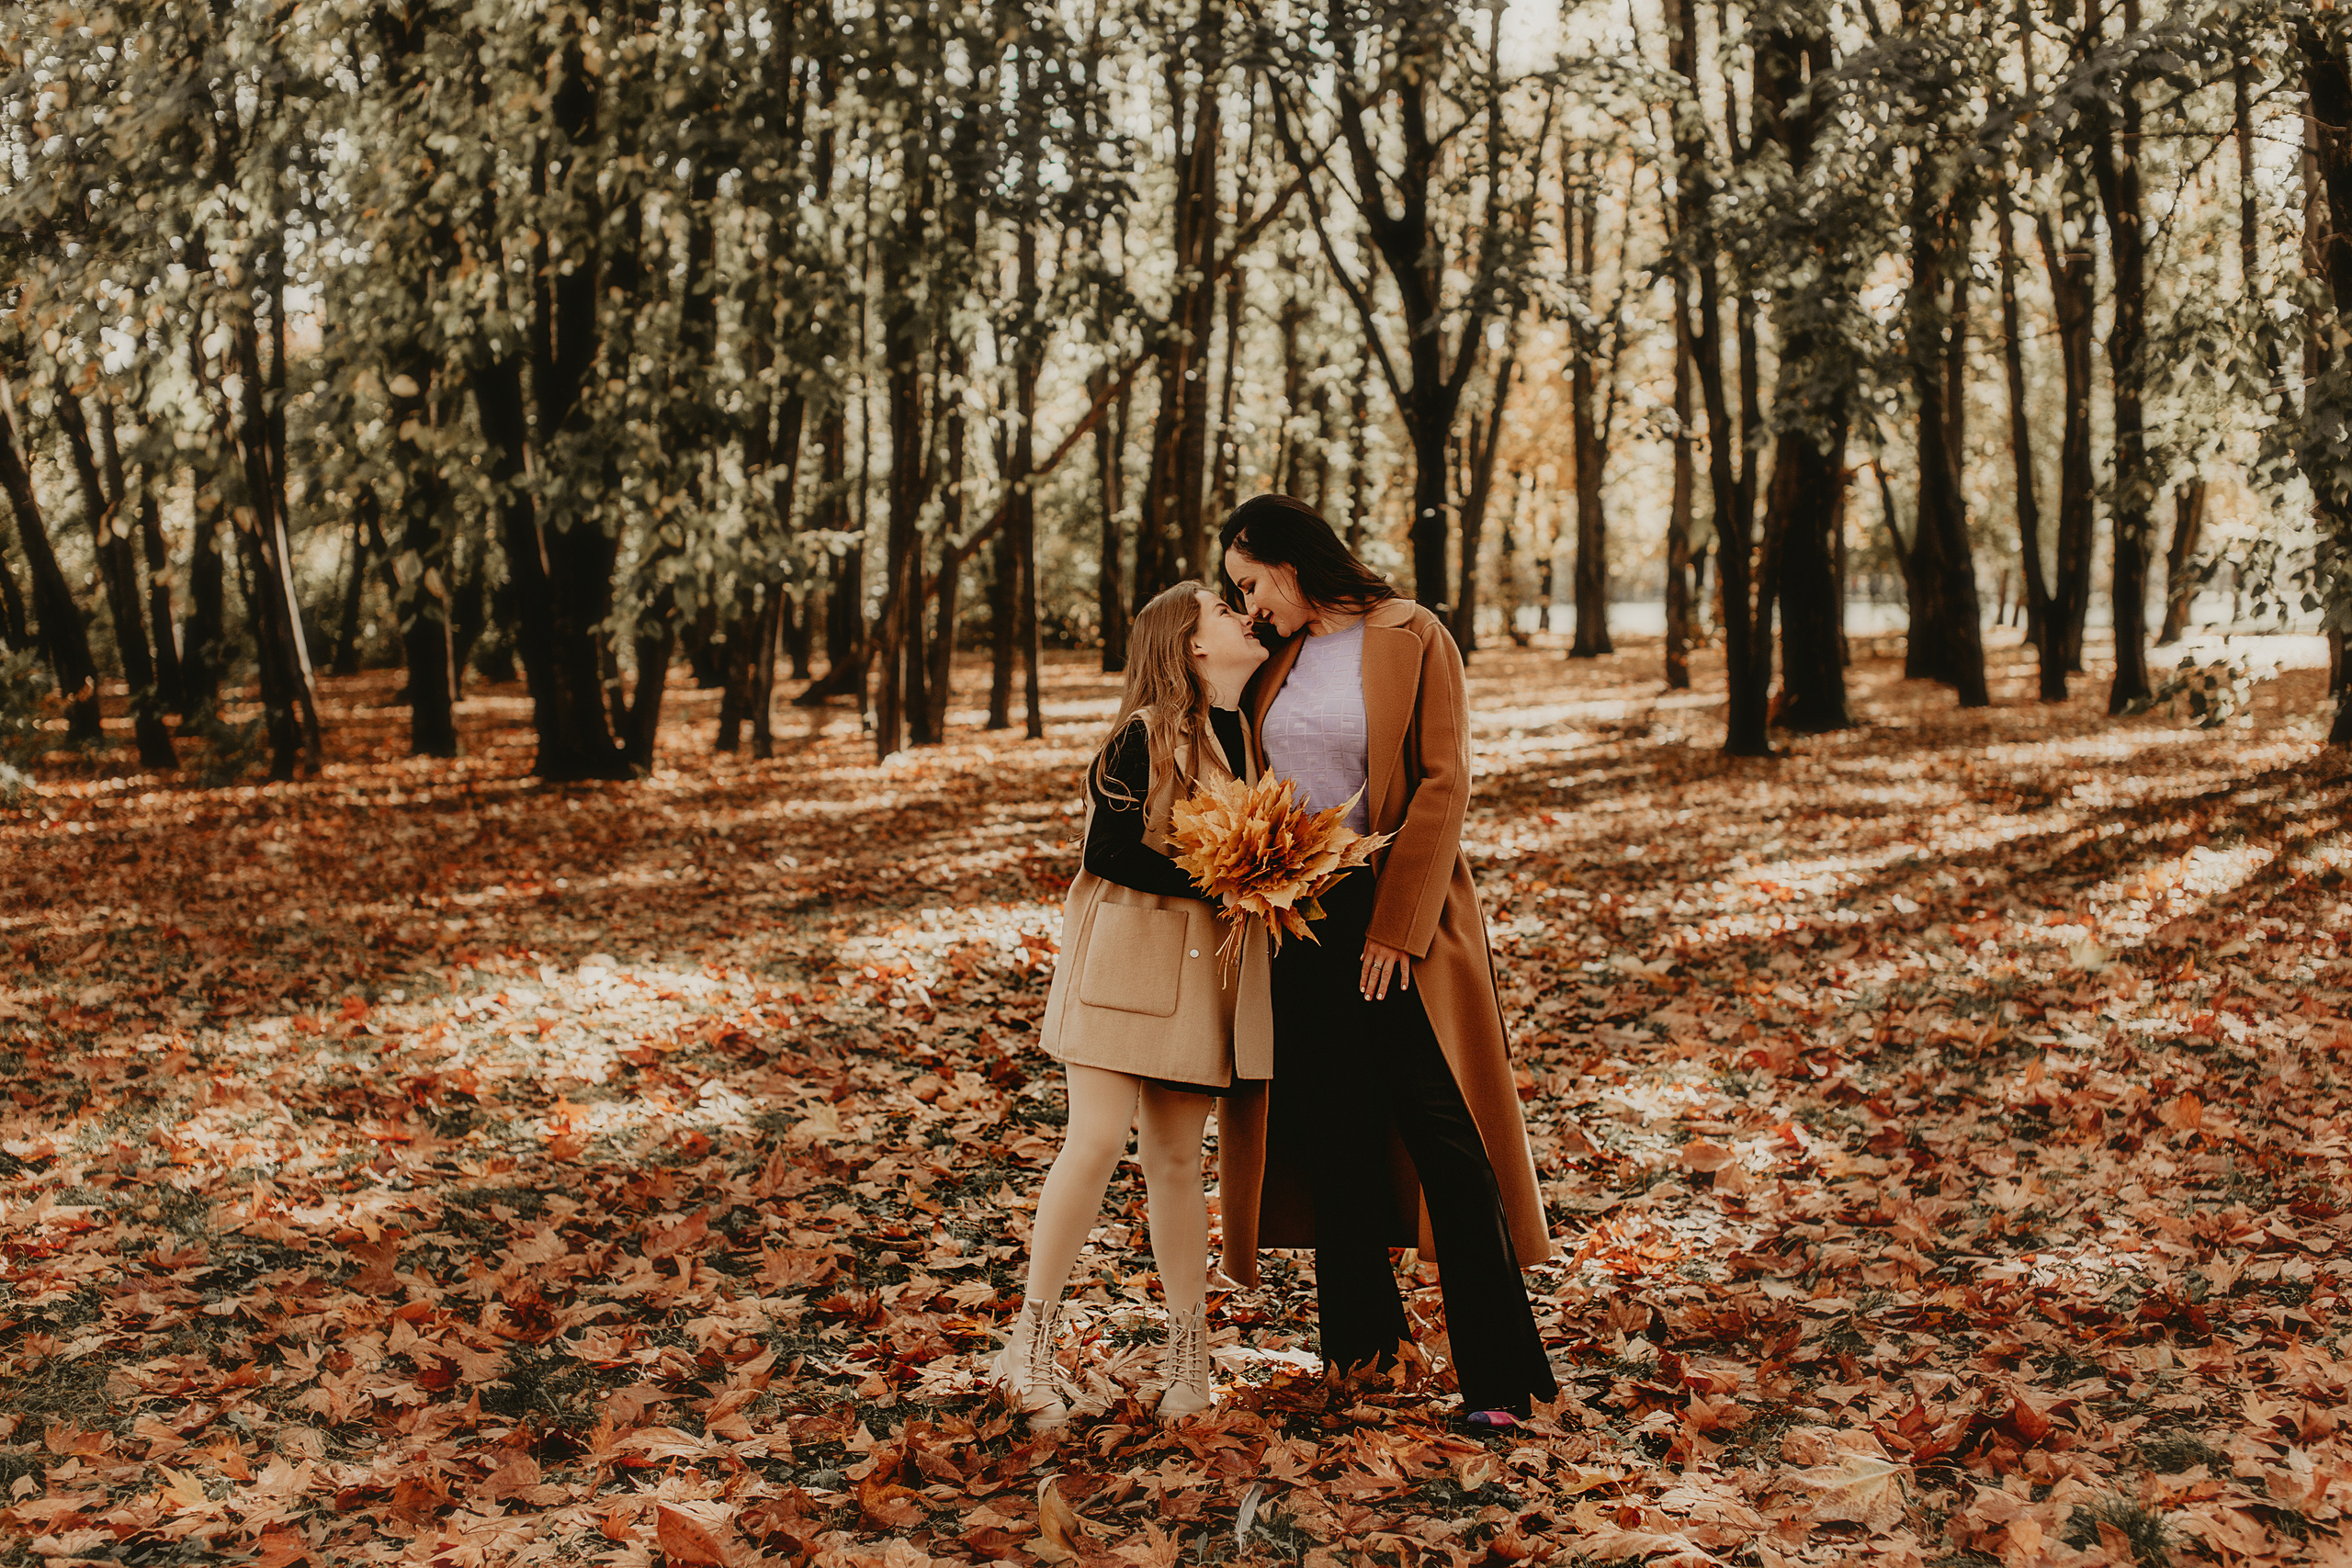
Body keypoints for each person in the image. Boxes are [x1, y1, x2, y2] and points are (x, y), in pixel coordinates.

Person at [1218, 493, 1559, 1431]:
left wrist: (1394, 930)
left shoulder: (1413, 634)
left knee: (1443, 1131)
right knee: (1333, 1129)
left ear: (1287, 560)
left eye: (1250, 582)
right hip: (1298, 917)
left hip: (1395, 911)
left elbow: (1445, 783)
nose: (1246, 603)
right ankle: (1361, 1352)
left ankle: (1504, 1381)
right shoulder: (1272, 654)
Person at [989, 581, 1273, 1430]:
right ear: (1191, 644)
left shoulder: (1250, 738)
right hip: (1122, 964)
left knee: (1180, 1164)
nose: (1243, 617)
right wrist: (1226, 873)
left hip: (1198, 978)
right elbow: (1109, 848)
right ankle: (1027, 1343)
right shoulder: (1140, 736)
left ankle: (1189, 1355)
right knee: (1098, 1138)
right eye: (1225, 611)